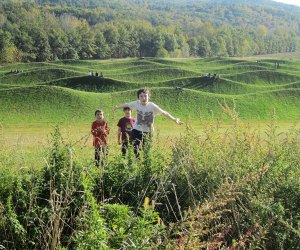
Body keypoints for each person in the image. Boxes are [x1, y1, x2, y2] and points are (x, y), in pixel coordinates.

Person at [113, 88, 183, 158]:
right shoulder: (136, 103)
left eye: (145, 96)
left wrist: (174, 119)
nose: (144, 98)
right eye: (141, 96)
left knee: (146, 150)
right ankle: (137, 162)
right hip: (136, 129)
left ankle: (146, 163)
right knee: (135, 147)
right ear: (138, 98)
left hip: (148, 131)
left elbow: (164, 113)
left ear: (148, 96)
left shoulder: (152, 106)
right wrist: (117, 107)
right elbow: (126, 104)